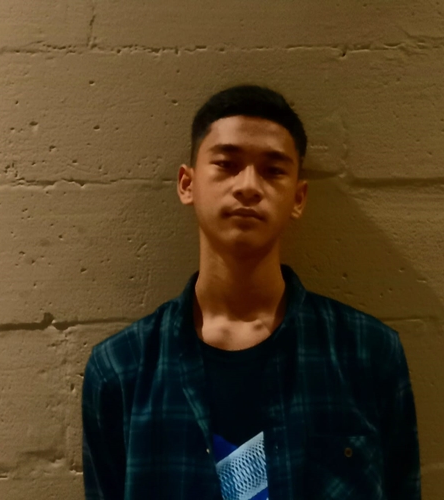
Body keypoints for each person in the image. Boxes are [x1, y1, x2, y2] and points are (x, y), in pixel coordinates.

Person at [82, 85, 421, 500]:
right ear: (187, 184)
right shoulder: (120, 370)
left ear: (298, 198)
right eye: (226, 164)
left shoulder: (368, 355)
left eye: (273, 170)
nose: (248, 186)